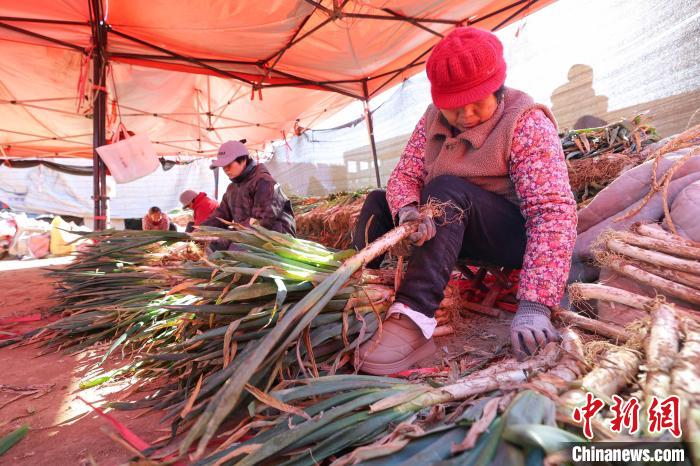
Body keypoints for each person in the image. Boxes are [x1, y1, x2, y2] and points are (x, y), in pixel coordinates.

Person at [352, 27, 577, 375]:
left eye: (478, 103)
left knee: (445, 190)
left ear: (498, 90)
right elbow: (405, 176)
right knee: (378, 202)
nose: (466, 116)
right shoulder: (430, 120)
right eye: (455, 108)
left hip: (507, 235)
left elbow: (551, 213)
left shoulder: (525, 121)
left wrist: (535, 304)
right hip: (445, 227)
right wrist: (408, 211)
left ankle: (414, 315)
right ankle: (365, 289)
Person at [202, 140, 295, 236]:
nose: (225, 169)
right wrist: (199, 232)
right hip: (248, 239)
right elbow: (220, 216)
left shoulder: (264, 182)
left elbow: (260, 223)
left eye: (228, 165)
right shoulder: (232, 189)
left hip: (276, 243)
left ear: (243, 161)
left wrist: (229, 238)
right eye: (223, 166)